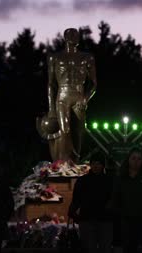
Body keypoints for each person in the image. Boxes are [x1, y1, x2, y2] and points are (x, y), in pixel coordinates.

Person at [40, 27, 97, 162]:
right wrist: (51, 108)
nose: (74, 37)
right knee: (64, 130)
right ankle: (63, 162)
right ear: (65, 37)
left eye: (76, 34)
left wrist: (85, 98)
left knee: (79, 131)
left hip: (79, 95)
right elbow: (51, 84)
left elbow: (94, 84)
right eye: (71, 34)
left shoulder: (87, 57)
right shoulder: (55, 57)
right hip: (63, 96)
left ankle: (75, 162)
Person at [68, 153, 113, 253]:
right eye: (94, 164)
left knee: (105, 252)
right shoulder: (82, 181)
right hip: (87, 221)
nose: (96, 166)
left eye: (99, 164)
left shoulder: (110, 181)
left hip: (105, 221)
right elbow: (76, 200)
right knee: (90, 252)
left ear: (103, 166)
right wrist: (72, 212)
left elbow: (114, 199)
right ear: (90, 165)